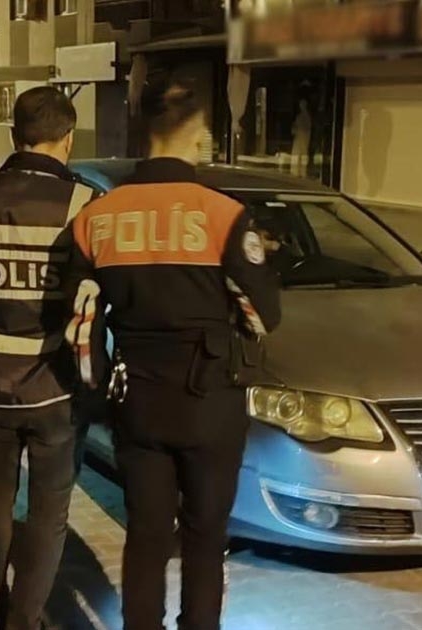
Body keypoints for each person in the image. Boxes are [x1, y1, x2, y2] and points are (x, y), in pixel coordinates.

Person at [65, 83, 282, 630]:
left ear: (144, 132)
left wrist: (95, 389)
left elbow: (82, 320)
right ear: (196, 134)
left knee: (146, 533)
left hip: (136, 397)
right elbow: (263, 316)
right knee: (206, 536)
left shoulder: (97, 217)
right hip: (210, 399)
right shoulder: (224, 215)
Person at [0, 87, 97, 630]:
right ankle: (24, 619)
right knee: (49, 511)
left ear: (14, 134)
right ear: (68, 138)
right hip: (54, 384)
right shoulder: (82, 205)